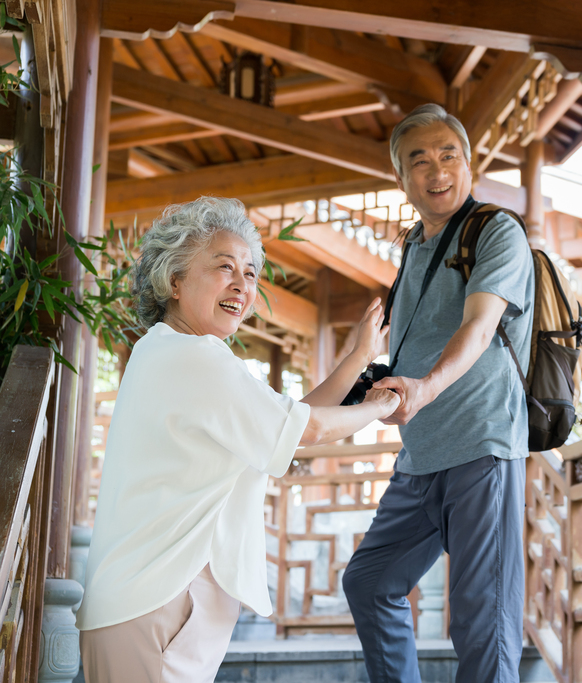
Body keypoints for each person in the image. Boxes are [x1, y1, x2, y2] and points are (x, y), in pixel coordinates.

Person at [76, 196, 400, 683]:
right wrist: (386, 406)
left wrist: (356, 358)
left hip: (146, 607)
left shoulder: (170, 352)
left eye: (250, 273)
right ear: (175, 281)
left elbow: (290, 424)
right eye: (224, 266)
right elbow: (308, 430)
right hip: (154, 609)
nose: (241, 284)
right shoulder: (195, 357)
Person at [342, 104, 534, 682]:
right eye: (417, 160)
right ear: (402, 179)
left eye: (447, 154)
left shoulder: (496, 231)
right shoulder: (412, 245)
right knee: (370, 582)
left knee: (482, 621)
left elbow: (478, 327)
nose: (435, 169)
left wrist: (424, 387)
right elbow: (417, 342)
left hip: (481, 445)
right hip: (421, 455)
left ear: (469, 164)